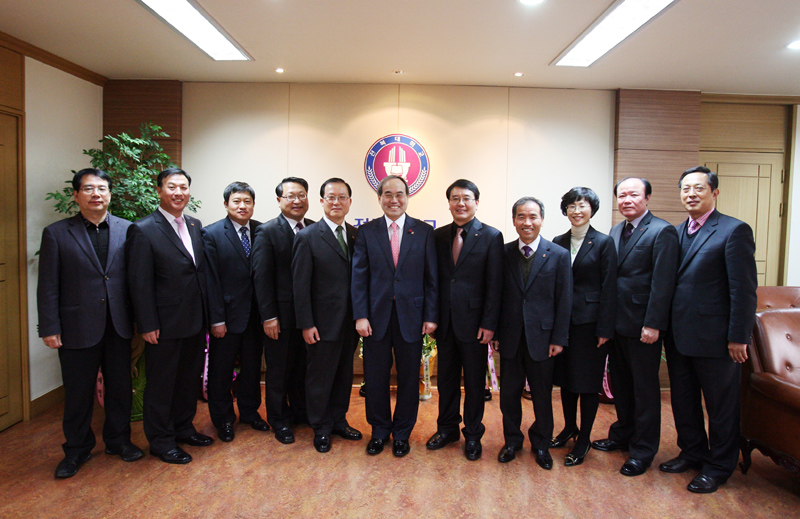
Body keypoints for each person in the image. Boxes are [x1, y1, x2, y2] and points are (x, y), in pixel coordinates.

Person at [37, 168, 143, 478]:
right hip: (76, 326)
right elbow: (48, 285)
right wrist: (50, 327)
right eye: (88, 189)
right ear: (76, 195)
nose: (96, 194)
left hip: (119, 325)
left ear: (110, 194)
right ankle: (76, 449)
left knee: (120, 388)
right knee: (78, 393)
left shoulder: (128, 229)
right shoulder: (57, 233)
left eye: (102, 188)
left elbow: (136, 281)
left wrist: (140, 320)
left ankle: (118, 441)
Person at [660, 166, 757, 493]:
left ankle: (719, 466)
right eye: (686, 188)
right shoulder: (675, 232)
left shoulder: (733, 230)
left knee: (720, 407)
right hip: (679, 336)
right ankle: (692, 452)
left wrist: (738, 337)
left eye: (699, 188)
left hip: (717, 339)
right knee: (683, 400)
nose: (691, 194)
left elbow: (743, 290)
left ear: (714, 192)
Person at [591, 177, 679, 477]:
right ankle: (622, 435)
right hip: (617, 325)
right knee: (621, 387)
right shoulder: (616, 230)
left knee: (644, 391)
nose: (627, 200)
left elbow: (663, 283)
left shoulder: (662, 231)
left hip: (643, 326)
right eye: (622, 195)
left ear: (647, 198)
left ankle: (642, 450)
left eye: (634, 195)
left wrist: (653, 324)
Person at [126, 167, 211, 464]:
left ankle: (184, 428)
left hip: (195, 320)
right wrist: (147, 323)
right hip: (163, 325)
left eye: (183, 187)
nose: (179, 192)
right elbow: (139, 282)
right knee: (162, 385)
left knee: (187, 381)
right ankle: (161, 441)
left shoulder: (194, 224)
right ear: (159, 190)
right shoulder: (143, 229)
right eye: (172, 187)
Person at [352, 175, 438, 457]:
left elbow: (431, 279)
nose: (394, 200)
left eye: (399, 194)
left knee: (409, 379)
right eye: (387, 194)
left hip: (412, 318)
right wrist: (360, 315)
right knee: (375, 378)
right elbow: (359, 278)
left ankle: (402, 434)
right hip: (375, 319)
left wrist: (430, 316)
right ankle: (379, 432)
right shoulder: (367, 232)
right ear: (379, 198)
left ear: (407, 197)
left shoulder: (424, 232)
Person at [425, 179, 503, 461]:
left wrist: (489, 324)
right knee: (446, 381)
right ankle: (447, 429)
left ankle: (472, 434)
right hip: (445, 324)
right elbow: (432, 280)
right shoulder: (438, 236)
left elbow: (495, 284)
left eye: (466, 198)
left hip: (475, 325)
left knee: (473, 383)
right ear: (449, 203)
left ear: (476, 203)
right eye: (455, 198)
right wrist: (432, 317)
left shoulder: (491, 236)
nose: (460, 203)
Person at [492, 196, 572, 470]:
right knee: (509, 395)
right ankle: (512, 441)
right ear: (514, 220)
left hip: (544, 339)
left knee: (542, 396)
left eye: (533, 216)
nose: (527, 222)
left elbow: (564, 299)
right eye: (521, 217)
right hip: (510, 338)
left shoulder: (558, 254)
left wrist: (559, 338)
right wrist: (496, 333)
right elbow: (496, 295)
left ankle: (541, 444)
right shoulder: (503, 253)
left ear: (542, 220)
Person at [291, 178, 363, 453]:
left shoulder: (356, 235)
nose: (336, 202)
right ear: (321, 201)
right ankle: (320, 427)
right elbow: (300, 285)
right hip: (320, 325)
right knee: (320, 378)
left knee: (344, 376)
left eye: (342, 197)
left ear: (349, 202)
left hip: (349, 323)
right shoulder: (307, 236)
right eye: (331, 197)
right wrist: (306, 323)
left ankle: (339, 421)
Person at [551, 187, 617, 467]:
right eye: (572, 206)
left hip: (590, 326)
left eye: (582, 205)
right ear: (565, 210)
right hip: (562, 324)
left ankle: (585, 438)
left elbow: (609, 287)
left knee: (587, 384)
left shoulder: (603, 243)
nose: (577, 211)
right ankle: (569, 428)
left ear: (592, 210)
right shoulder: (558, 241)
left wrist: (605, 328)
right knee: (566, 380)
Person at [202, 182, 268, 443]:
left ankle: (250, 412)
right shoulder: (212, 233)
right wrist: (216, 319)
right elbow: (211, 280)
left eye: (247, 201)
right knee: (221, 371)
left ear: (253, 204)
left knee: (252, 369)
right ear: (226, 204)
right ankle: (224, 420)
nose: (242, 206)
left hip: (256, 317)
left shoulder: (262, 230)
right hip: (226, 318)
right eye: (236, 201)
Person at [251, 177, 312, 444]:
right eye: (290, 196)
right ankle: (278, 419)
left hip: (308, 318)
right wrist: (269, 316)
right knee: (278, 371)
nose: (297, 201)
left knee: (302, 369)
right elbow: (261, 277)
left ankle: (300, 412)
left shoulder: (313, 228)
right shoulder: (267, 232)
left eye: (301, 195)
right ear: (279, 200)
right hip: (280, 317)